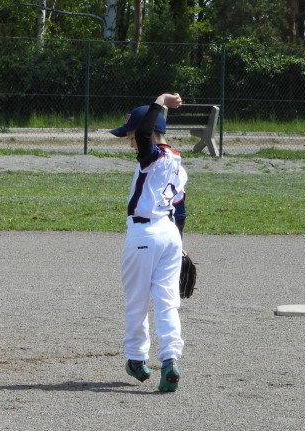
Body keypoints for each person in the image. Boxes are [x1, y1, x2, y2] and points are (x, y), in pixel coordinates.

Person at [109, 93, 186, 392]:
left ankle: (136, 359)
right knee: (168, 304)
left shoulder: (152, 156)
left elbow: (144, 134)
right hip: (170, 236)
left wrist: (161, 100)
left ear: (149, 132)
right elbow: (180, 209)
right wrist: (181, 243)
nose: (130, 140)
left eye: (130, 134)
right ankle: (170, 360)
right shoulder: (178, 162)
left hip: (144, 235)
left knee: (137, 301)